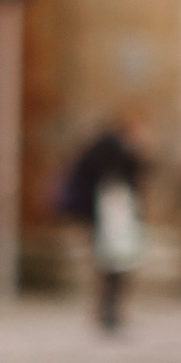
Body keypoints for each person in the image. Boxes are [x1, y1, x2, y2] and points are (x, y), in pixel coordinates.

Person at [59, 113, 148, 335]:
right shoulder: (114, 153)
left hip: (100, 218)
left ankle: (106, 310)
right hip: (109, 219)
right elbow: (126, 180)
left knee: (106, 266)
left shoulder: (100, 149)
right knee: (113, 265)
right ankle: (108, 310)